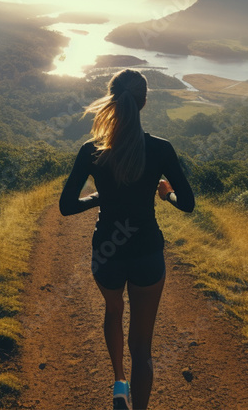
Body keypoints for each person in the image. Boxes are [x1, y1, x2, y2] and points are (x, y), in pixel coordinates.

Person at [59, 69, 195, 410]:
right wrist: (166, 196)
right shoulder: (161, 149)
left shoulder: (91, 150)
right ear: (144, 102)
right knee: (143, 349)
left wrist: (102, 197)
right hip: (147, 253)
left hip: (107, 254)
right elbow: (188, 204)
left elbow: (66, 206)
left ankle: (119, 380)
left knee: (113, 308)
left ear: (112, 99)